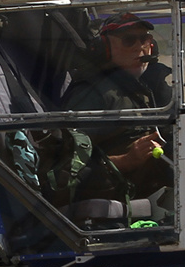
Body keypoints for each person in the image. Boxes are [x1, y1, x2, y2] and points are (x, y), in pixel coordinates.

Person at [65, 12, 175, 202]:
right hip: (118, 199)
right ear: (104, 48)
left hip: (153, 190)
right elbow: (67, 167)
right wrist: (127, 160)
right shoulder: (94, 96)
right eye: (129, 40)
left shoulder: (146, 87)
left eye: (145, 39)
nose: (140, 47)